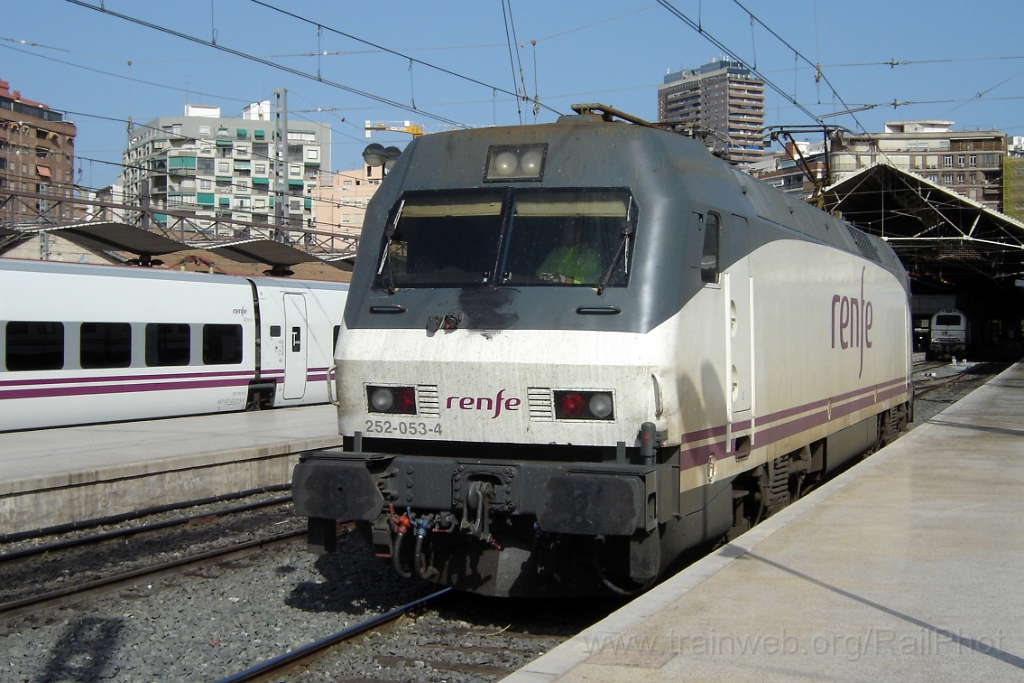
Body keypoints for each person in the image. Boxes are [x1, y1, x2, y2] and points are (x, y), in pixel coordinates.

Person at [536, 219, 602, 284]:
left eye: (571, 228)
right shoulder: (555, 254)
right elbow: (539, 275)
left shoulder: (591, 256)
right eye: (566, 228)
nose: (567, 232)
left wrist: (567, 280)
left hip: (579, 294)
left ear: (580, 232)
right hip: (551, 293)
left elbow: (595, 281)